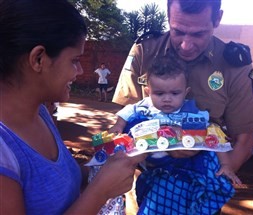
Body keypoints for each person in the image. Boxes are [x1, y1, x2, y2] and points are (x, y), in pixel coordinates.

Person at [0, 0, 146, 214]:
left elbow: (59, 180)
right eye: (75, 60)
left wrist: (105, 168)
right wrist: (100, 190)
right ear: (38, 59)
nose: (78, 71)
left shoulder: (41, 113)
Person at [113, 0, 253, 175]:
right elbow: (123, 121)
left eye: (198, 34)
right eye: (177, 31)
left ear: (217, 19)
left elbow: (244, 141)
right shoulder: (145, 51)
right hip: (141, 176)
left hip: (200, 182)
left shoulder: (234, 67)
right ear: (169, 16)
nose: (186, 45)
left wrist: (211, 186)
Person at [110, 55, 240, 214]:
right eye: (159, 93)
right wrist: (118, 125)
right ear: (148, 91)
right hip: (153, 170)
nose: (167, 99)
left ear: (186, 92)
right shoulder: (145, 106)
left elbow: (214, 138)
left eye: (175, 93)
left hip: (184, 168)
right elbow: (126, 112)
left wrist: (226, 165)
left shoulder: (192, 112)